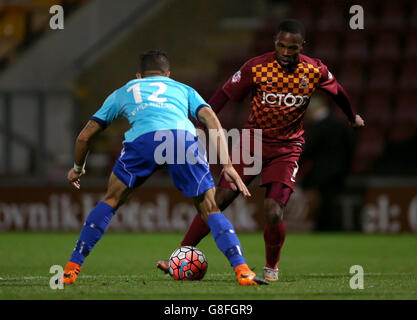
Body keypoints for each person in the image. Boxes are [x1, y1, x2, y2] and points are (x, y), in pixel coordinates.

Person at [157, 19, 365, 281]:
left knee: (273, 210)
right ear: (274, 43)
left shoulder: (314, 70)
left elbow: (338, 93)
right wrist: (197, 122)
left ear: (303, 46)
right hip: (252, 143)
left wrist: (351, 116)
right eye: (281, 46)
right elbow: (223, 95)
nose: (286, 53)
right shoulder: (256, 67)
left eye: (293, 48)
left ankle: (271, 268)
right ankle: (181, 255)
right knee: (217, 200)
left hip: (287, 149)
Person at [62, 50, 268, 286]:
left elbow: (84, 137)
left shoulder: (123, 91)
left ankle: (71, 269)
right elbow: (210, 117)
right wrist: (227, 164)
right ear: (168, 75)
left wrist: (78, 168)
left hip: (143, 142)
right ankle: (243, 271)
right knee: (210, 209)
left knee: (111, 200)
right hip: (182, 140)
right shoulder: (183, 89)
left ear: (139, 76)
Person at [300, 95, 355, 231]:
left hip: (322, 176)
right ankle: (332, 228)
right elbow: (350, 149)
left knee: (326, 205)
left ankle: (326, 228)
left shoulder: (318, 128)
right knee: (332, 203)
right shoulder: (340, 126)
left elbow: (307, 152)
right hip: (339, 174)